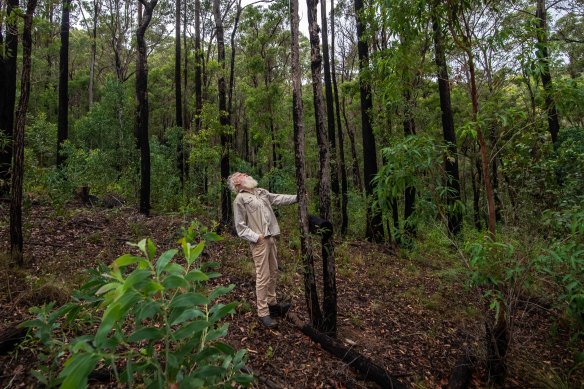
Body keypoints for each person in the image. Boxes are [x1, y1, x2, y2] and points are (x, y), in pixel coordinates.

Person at [228, 172, 295, 329]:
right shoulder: (240, 199)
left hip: (271, 238)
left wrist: (297, 197)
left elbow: (278, 198)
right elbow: (240, 227)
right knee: (263, 276)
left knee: (273, 272)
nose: (245, 174)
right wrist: (255, 237)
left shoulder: (260, 192)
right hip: (259, 242)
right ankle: (263, 313)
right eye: (240, 175)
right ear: (237, 184)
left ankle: (272, 304)